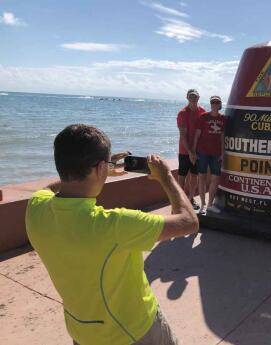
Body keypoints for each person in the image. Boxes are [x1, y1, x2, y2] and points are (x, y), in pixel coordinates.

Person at [26, 124, 199, 345]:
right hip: (132, 331)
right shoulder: (114, 225)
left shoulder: (36, 207)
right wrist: (166, 177)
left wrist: (99, 169)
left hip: (81, 331)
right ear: (100, 168)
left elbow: (52, 189)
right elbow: (188, 222)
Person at [192, 96, 225, 214]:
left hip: (216, 154)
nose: (215, 104)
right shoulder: (203, 117)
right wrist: (193, 151)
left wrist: (222, 153)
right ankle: (203, 204)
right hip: (202, 152)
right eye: (213, 102)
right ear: (210, 104)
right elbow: (197, 135)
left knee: (215, 178)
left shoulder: (223, 119)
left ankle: (210, 204)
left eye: (217, 102)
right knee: (201, 177)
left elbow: (222, 137)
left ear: (220, 104)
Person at [177, 89, 206, 210]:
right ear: (187, 97)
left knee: (194, 175)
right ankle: (179, 201)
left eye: (195, 96)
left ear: (199, 97)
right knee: (182, 176)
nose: (193, 98)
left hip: (198, 151)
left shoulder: (202, 112)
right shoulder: (183, 113)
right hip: (185, 150)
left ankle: (190, 198)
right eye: (191, 96)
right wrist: (190, 152)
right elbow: (183, 135)